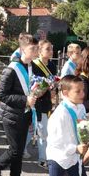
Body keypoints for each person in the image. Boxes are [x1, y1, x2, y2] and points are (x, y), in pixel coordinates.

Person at [0, 34, 38, 176]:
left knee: (19, 149)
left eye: (37, 48)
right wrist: (25, 100)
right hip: (12, 115)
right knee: (15, 150)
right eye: (33, 49)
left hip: (25, 114)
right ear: (22, 49)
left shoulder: (32, 66)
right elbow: (1, 95)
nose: (36, 51)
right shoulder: (11, 69)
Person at [45, 75, 89, 176]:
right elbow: (55, 142)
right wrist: (75, 148)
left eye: (83, 90)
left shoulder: (81, 107)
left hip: (74, 156)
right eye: (78, 91)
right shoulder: (60, 114)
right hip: (58, 156)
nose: (82, 94)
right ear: (65, 93)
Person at [33, 39, 57, 169]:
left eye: (51, 49)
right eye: (48, 49)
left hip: (47, 102)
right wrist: (46, 89)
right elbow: (35, 85)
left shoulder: (52, 65)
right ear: (40, 51)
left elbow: (54, 81)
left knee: (35, 131)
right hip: (37, 102)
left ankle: (21, 149)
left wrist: (54, 90)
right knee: (42, 132)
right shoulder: (34, 65)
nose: (51, 51)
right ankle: (42, 159)